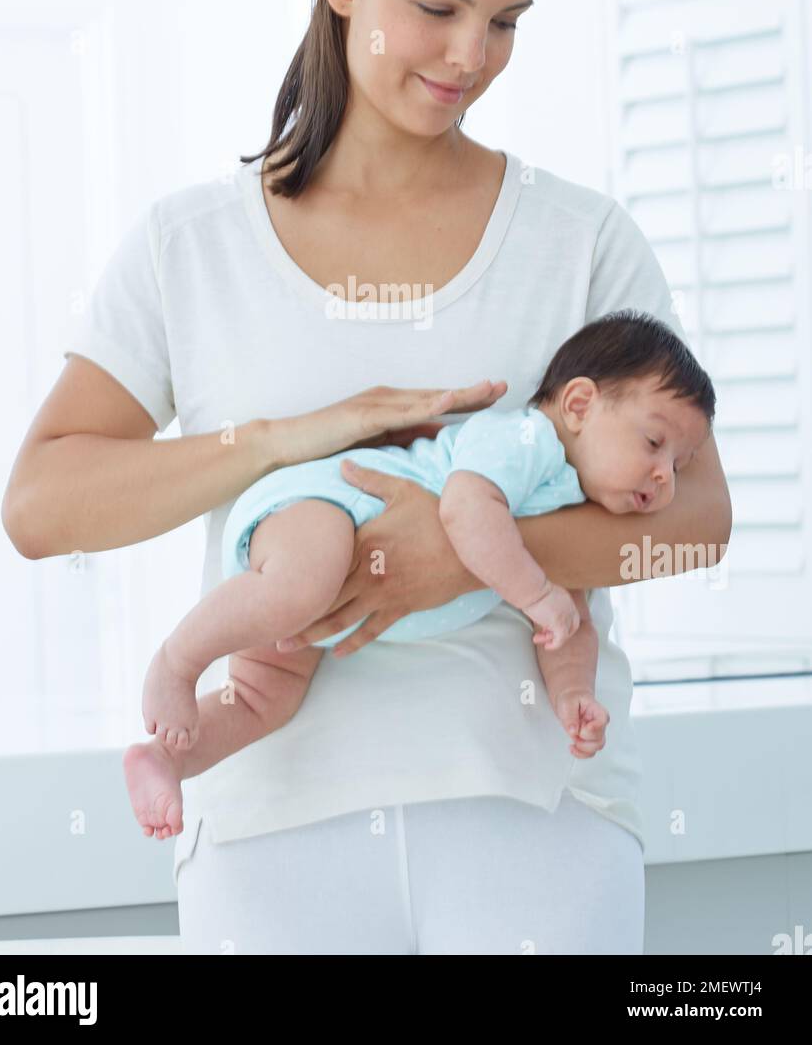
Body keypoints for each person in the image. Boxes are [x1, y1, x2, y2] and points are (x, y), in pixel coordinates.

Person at [2, 0, 731, 955]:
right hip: (267, 833)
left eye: (505, 23)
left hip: (534, 814)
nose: (468, 59)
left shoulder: (579, 242)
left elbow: (695, 521)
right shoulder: (188, 245)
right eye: (436, 11)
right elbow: (42, 510)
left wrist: (459, 550)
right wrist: (285, 440)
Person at [124, 310, 715, 847]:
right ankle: (176, 663)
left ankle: (167, 760)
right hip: (332, 507)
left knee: (262, 697)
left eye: (679, 466)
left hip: (322, 601)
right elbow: (466, 511)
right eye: (655, 443)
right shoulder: (527, 441)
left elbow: (571, 624)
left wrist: (573, 694)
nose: (664, 477)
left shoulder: (575, 513)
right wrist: (538, 596)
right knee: (303, 583)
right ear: (580, 405)